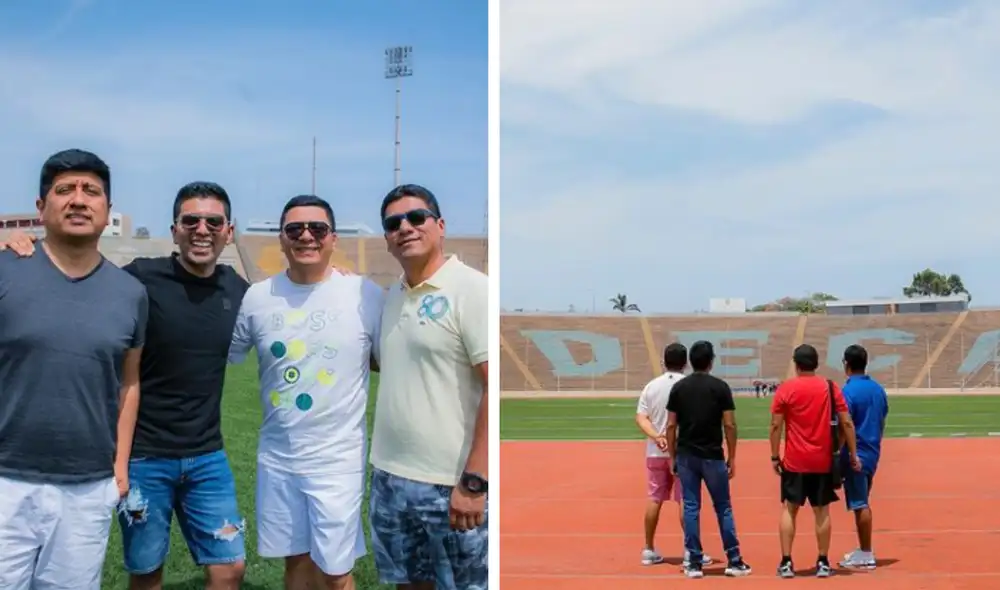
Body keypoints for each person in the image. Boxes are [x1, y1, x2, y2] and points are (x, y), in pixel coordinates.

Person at [1, 181, 251, 589]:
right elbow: (77, 277)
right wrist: (23, 245)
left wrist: (335, 275)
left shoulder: (239, 290)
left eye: (213, 221)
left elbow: (289, 300)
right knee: (146, 569)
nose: (201, 229)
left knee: (230, 567)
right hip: (144, 460)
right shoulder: (139, 280)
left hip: (208, 458)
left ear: (228, 230)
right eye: (190, 220)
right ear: (175, 230)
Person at [0, 149, 146, 588]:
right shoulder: (6, 269)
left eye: (91, 191)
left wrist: (120, 467)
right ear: (41, 208)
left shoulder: (130, 293)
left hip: (88, 487)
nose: (79, 200)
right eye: (65, 190)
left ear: (107, 211)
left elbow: (130, 381)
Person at [229, 194, 384, 590]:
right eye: (295, 229)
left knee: (336, 573)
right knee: (295, 561)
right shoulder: (258, 297)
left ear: (333, 238)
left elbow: (389, 360)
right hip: (278, 458)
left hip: (337, 461)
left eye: (317, 228)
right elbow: (223, 353)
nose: (306, 236)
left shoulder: (365, 295)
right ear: (281, 239)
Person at [368, 184, 488, 590]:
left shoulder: (473, 289)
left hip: (448, 482)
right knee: (407, 585)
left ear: (439, 226)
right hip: (389, 477)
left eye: (416, 218)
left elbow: (492, 385)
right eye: (393, 222)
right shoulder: (390, 297)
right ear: (386, 238)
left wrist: (475, 481)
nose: (405, 227)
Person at [770, 344, 861, 578]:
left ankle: (787, 561)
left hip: (794, 460)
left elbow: (775, 425)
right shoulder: (830, 387)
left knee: (790, 509)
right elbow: (846, 422)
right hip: (822, 460)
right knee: (822, 511)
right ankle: (822, 561)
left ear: (796, 364)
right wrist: (852, 453)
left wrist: (774, 456)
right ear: (816, 363)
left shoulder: (786, 388)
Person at [664, 341, 751, 579]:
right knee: (722, 506)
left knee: (691, 506)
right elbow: (730, 424)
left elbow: (671, 425)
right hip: (713, 455)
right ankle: (734, 559)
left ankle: (693, 562)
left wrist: (673, 456)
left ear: (691, 361)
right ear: (711, 361)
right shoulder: (720, 387)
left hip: (687, 455)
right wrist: (732, 456)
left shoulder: (679, 388)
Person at [634, 342, 713, 567]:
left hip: (655, 452)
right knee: (685, 500)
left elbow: (641, 417)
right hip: (683, 452)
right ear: (686, 362)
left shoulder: (651, 386)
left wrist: (657, 437)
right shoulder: (688, 385)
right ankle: (691, 550)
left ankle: (648, 548)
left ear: (663, 362)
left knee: (655, 498)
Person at [838, 345, 889, 570]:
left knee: (860, 503)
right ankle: (862, 549)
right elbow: (882, 420)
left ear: (846, 364)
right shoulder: (878, 389)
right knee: (862, 499)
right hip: (872, 450)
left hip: (855, 453)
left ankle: (866, 553)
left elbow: (844, 424)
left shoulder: (848, 392)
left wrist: (839, 451)